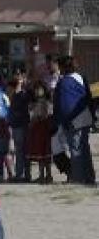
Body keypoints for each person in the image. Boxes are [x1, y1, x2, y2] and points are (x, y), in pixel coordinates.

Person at [53, 55, 96, 185]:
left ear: (63, 67)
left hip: (73, 120)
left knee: (76, 150)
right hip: (85, 118)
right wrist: (92, 117)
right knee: (85, 150)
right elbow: (89, 99)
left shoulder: (64, 82)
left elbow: (63, 105)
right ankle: (89, 177)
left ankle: (78, 179)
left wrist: (62, 121)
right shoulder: (81, 78)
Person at [25, 85, 54, 183]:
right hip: (37, 130)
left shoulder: (46, 102)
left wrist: (36, 118)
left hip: (43, 129)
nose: (37, 91)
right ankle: (42, 175)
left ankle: (48, 175)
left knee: (45, 153)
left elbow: (46, 115)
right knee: (40, 153)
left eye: (39, 89)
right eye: (36, 89)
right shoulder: (34, 103)